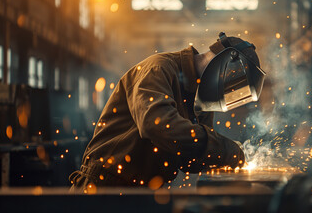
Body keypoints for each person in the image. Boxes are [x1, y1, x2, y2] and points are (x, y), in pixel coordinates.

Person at [69, 32, 265, 190]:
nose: (228, 94)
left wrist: (224, 157)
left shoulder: (200, 100)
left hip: (146, 192)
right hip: (103, 190)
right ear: (228, 64)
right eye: (232, 87)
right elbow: (157, 125)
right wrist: (223, 148)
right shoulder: (159, 69)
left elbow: (191, 158)